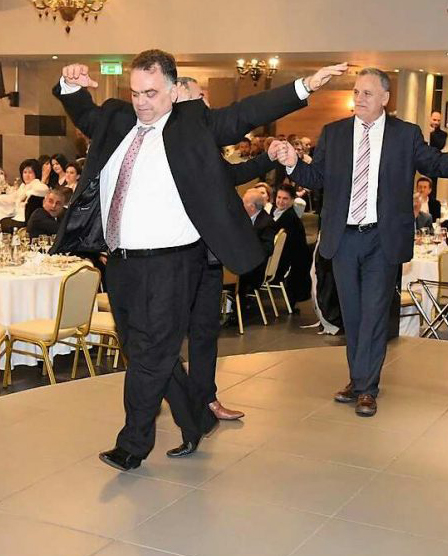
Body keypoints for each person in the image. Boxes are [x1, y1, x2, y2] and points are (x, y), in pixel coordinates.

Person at [51, 50, 346, 471]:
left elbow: (246, 113)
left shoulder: (193, 124)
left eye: (152, 93)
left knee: (152, 354)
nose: (142, 102)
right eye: (136, 92)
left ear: (173, 91)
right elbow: (82, 109)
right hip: (119, 262)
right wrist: (69, 82)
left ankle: (133, 444)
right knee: (142, 350)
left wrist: (306, 86)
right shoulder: (117, 118)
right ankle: (197, 418)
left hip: (172, 263)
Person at [275, 67, 448, 417]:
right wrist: (293, 164)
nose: (359, 98)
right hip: (343, 238)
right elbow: (317, 178)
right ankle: (358, 379)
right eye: (356, 92)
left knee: (374, 314)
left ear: (385, 98)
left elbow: (438, 163)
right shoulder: (335, 133)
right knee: (352, 315)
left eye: (367, 93)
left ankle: (367, 388)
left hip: (382, 239)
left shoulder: (404, 135)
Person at [174, 75, 280, 422]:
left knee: (205, 330)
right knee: (168, 335)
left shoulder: (205, 139)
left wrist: (268, 157)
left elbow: (230, 176)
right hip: (176, 256)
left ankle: (206, 398)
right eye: (199, 96)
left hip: (209, 253)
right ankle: (171, 395)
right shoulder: (169, 142)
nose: (206, 103)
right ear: (178, 95)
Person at [271, 183, 312, 309]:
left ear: (292, 200)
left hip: (286, 263)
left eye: (285, 198)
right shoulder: (277, 213)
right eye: (279, 197)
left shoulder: (290, 219)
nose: (281, 201)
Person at [0, 159, 49, 233]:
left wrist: (27, 194)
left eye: (30, 172)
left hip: (25, 219)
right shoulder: (23, 186)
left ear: (36, 173)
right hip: (17, 215)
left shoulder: (38, 185)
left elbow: (44, 189)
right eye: (25, 172)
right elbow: (13, 197)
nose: (27, 175)